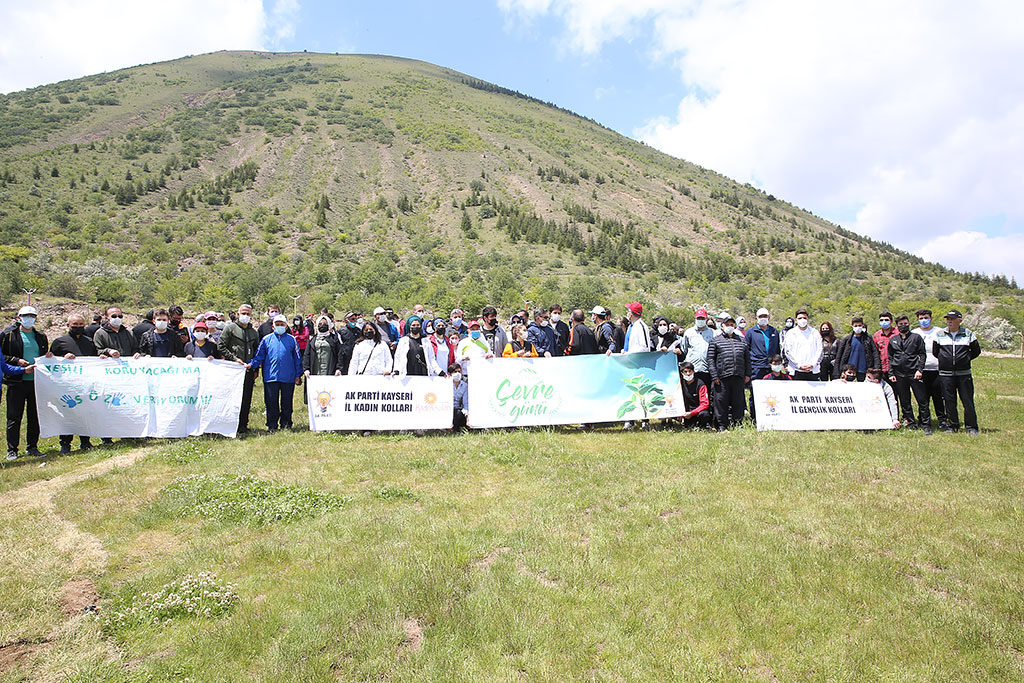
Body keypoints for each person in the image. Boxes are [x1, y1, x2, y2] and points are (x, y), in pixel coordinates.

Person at [1, 305, 47, 460]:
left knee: (34, 416)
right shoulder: (8, 335)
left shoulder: (40, 336)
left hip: (35, 381)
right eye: (26, 316)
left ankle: (32, 447)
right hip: (16, 381)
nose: (29, 319)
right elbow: (2, 357)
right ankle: (12, 449)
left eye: (32, 316)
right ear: (19, 317)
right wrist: (16, 361)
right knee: (14, 416)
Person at [49, 314, 97, 454]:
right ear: (68, 325)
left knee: (85, 412)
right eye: (75, 324)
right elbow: (51, 362)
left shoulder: (89, 341)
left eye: (81, 324)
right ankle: (65, 443)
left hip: (85, 384)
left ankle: (85, 441)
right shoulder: (59, 342)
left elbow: (94, 360)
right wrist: (62, 358)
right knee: (67, 413)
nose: (78, 327)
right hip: (67, 385)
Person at [246, 315, 302, 432]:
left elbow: (297, 359)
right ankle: (272, 425)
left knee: (287, 402)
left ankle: (286, 424)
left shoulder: (292, 340)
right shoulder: (266, 340)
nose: (280, 326)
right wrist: (252, 365)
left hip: (288, 377)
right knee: (271, 403)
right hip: (271, 377)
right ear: (273, 326)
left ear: (286, 326)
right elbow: (259, 356)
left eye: (282, 324)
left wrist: (298, 375)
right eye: (277, 324)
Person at [932, 309, 981, 435]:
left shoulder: (968, 334)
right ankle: (953, 425)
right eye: (948, 319)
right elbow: (936, 352)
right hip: (946, 374)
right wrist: (946, 361)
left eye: (952, 319)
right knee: (949, 400)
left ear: (959, 320)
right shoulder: (940, 334)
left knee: (967, 400)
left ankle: (971, 427)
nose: (949, 321)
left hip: (964, 374)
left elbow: (976, 351)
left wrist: (964, 359)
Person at [218, 304, 260, 434]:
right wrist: (234, 359)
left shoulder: (254, 332)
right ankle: (230, 424)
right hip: (233, 370)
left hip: (248, 370)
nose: (245, 316)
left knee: (246, 398)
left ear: (251, 315)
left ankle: (243, 425)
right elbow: (221, 346)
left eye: (248, 313)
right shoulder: (230, 328)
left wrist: (255, 367)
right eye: (243, 313)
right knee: (231, 397)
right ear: (238, 313)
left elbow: (257, 351)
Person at [887, 314, 931, 433]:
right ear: (897, 326)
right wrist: (891, 373)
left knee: (921, 399)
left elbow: (922, 354)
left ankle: (926, 424)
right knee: (904, 400)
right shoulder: (893, 340)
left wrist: (920, 370)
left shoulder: (916, 338)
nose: (903, 326)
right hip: (899, 374)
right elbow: (890, 358)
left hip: (914, 373)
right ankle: (911, 423)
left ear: (909, 324)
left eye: (905, 324)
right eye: (901, 324)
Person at [707, 315, 750, 430]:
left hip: (738, 376)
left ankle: (737, 424)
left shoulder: (742, 340)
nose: (730, 327)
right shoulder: (715, 341)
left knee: (738, 402)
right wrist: (714, 375)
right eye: (727, 325)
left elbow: (747, 359)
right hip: (721, 377)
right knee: (721, 403)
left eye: (732, 325)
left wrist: (747, 374)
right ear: (722, 326)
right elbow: (710, 359)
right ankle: (722, 426)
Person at [912, 308, 948, 430]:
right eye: (921, 318)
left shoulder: (939, 331)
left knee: (938, 396)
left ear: (931, 318)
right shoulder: (914, 333)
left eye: (926, 318)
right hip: (921, 370)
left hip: (937, 369)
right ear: (917, 320)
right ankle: (923, 419)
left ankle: (942, 420)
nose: (924, 320)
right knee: (923, 397)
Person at [745, 307, 780, 418]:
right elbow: (746, 351)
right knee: (755, 393)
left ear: (769, 317)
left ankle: (771, 416)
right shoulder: (751, 332)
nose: (763, 318)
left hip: (771, 367)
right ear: (756, 318)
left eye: (765, 316)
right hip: (756, 367)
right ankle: (754, 418)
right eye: (761, 316)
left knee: (771, 393)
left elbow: (778, 350)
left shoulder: (774, 331)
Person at [303, 315, 343, 404]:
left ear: (329, 325)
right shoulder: (313, 339)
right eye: (320, 324)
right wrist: (306, 369)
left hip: (329, 370)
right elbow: (306, 355)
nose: (322, 325)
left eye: (325, 324)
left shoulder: (334, 339)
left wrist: (339, 368)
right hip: (315, 371)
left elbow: (340, 354)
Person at [833, 316, 878, 382]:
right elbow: (839, 356)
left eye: (859, 325)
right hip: (849, 371)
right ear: (852, 326)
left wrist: (875, 369)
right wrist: (838, 371)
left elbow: (875, 353)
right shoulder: (847, 339)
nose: (858, 327)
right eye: (856, 326)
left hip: (863, 369)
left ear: (863, 326)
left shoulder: (868, 339)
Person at [782, 309, 823, 380]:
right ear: (796, 320)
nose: (802, 320)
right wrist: (798, 365)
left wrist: (813, 365)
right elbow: (788, 351)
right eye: (800, 318)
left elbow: (820, 350)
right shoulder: (791, 333)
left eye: (804, 318)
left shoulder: (815, 333)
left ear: (808, 319)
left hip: (813, 371)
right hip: (795, 371)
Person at [679, 308, 715, 387]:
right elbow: (684, 349)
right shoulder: (689, 332)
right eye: (699, 318)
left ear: (706, 319)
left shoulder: (713, 333)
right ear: (695, 319)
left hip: (707, 370)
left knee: (706, 394)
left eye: (702, 318)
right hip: (691, 370)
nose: (700, 320)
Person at [873, 311, 899, 400]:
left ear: (891, 321)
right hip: (883, 369)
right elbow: (875, 352)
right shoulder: (877, 335)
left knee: (898, 395)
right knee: (883, 395)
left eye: (886, 320)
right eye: (881, 320)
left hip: (896, 368)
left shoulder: (898, 333)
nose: (884, 322)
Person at [679, 361, 712, 430]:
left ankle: (701, 425)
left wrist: (692, 413)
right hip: (685, 411)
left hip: (697, 411)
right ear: (682, 373)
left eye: (690, 371)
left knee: (704, 414)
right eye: (685, 372)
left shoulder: (701, 384)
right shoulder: (679, 384)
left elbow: (705, 404)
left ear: (693, 372)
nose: (688, 374)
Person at [450, 363, 468, 432]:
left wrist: (467, 416)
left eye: (459, 371)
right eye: (455, 372)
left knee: (459, 414)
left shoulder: (464, 385)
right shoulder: (446, 384)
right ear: (450, 374)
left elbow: (465, 403)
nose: (457, 373)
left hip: (458, 409)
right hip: (448, 409)